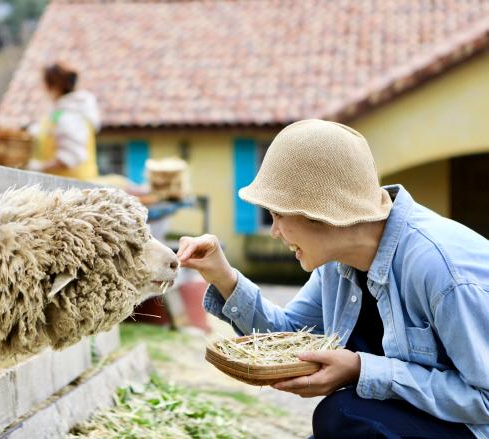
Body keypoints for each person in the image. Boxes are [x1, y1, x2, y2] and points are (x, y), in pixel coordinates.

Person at [177, 119, 488, 439]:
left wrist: (360, 370)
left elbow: (486, 400)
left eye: (279, 214)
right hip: (419, 421)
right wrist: (223, 276)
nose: (274, 231)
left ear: (323, 212)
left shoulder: (443, 272)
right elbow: (291, 341)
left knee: (342, 416)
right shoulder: (338, 260)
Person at [27, 62, 100, 180]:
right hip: (61, 189)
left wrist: (38, 167)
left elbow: (71, 156)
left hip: (75, 188)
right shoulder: (58, 113)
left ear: (52, 86)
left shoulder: (71, 113)